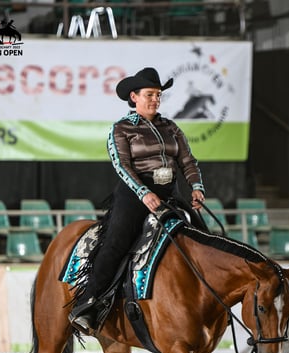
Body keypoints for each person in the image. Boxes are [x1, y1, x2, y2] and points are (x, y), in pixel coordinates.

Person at [68, 67, 208, 333]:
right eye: (150, 94)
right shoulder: (121, 128)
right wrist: (144, 193)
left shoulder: (171, 127)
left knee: (201, 234)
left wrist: (196, 187)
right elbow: (122, 165)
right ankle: (90, 302)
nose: (155, 99)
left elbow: (187, 160)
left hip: (170, 193)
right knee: (117, 240)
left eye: (158, 94)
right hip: (134, 194)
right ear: (134, 97)